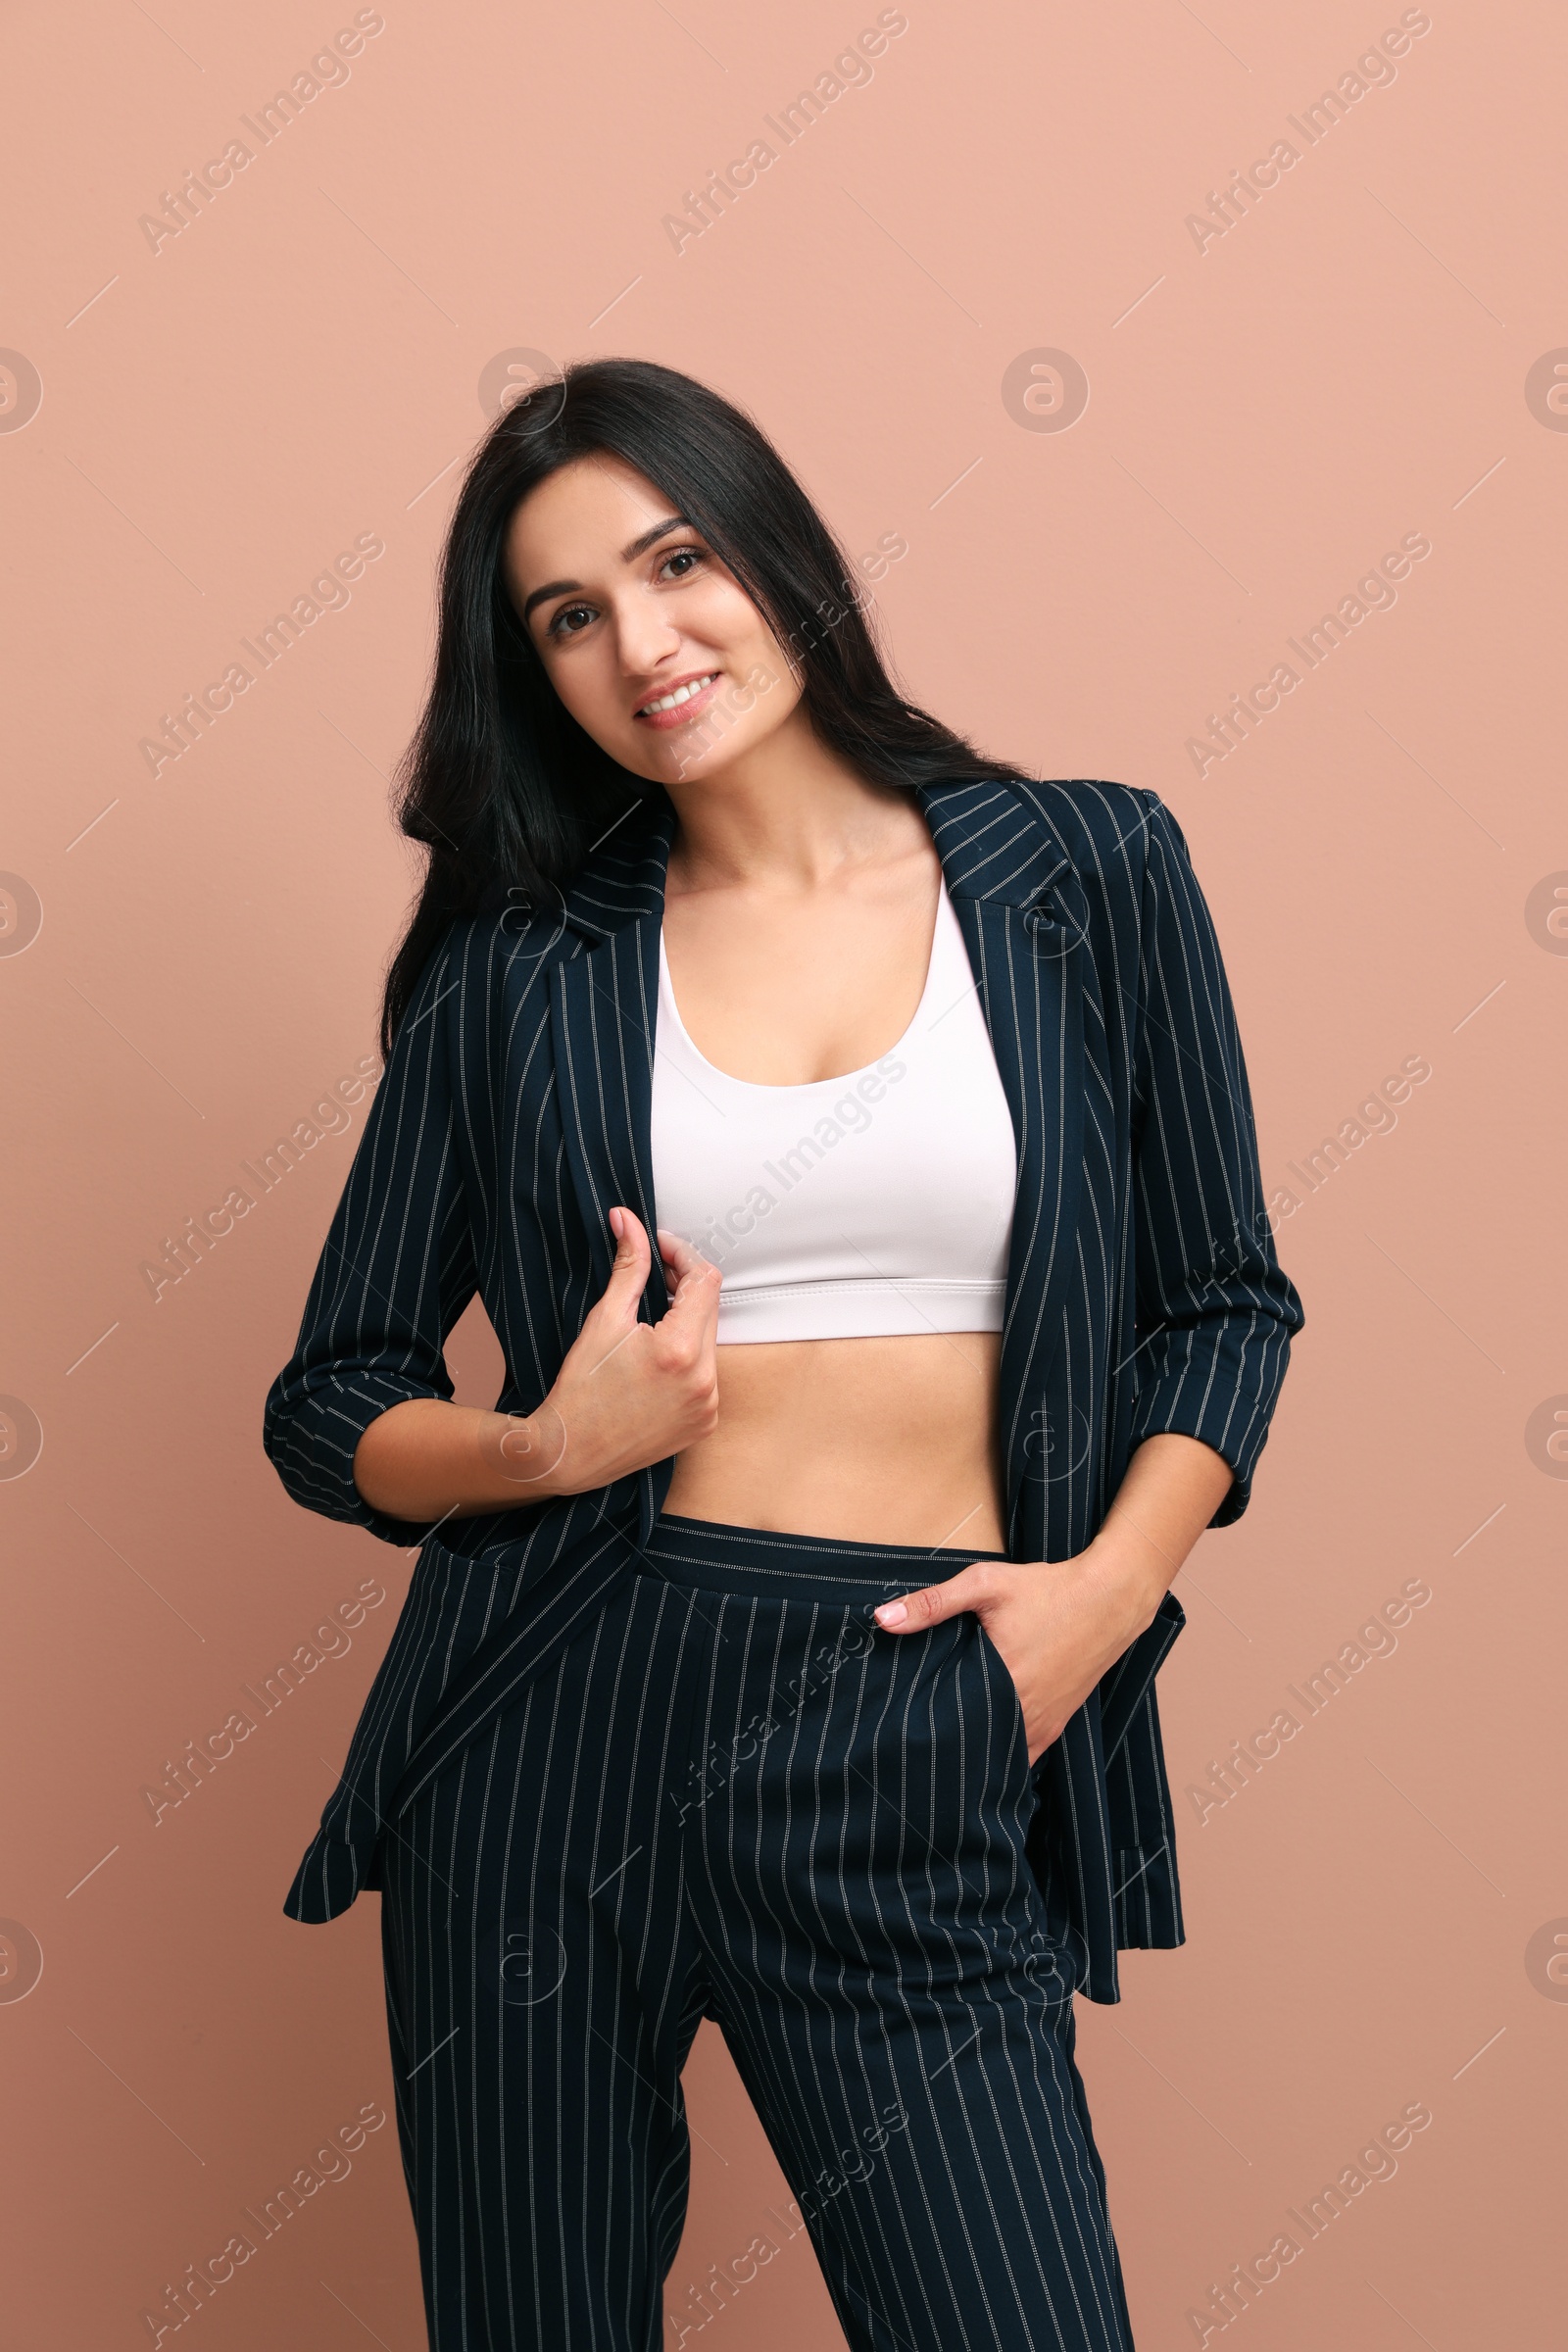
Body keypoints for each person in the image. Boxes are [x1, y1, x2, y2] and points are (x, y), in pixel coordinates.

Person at [263, 356, 1303, 2352]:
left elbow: (1220, 1301)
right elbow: (331, 1401)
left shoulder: (1082, 872)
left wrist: (1095, 1600)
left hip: (912, 1701)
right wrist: (544, 1451)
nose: (639, 642)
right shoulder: (519, 970)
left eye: (673, 561)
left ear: (776, 556)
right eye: (566, 616)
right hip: (551, 1727)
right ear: (533, 671)